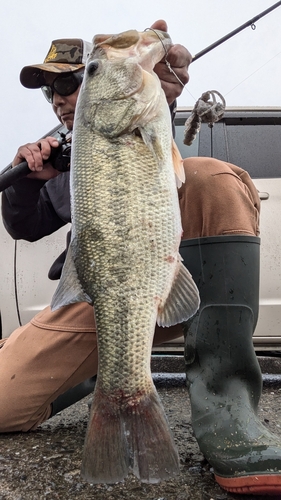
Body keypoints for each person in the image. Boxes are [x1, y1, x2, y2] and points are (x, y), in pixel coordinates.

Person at [0, 18, 281, 496]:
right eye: (49, 92)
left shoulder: (140, 116)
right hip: (107, 299)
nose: (60, 98)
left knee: (211, 176)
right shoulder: (67, 167)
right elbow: (24, 228)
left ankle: (228, 413)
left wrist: (164, 85)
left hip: (177, 286)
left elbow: (145, 116)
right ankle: (95, 375)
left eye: (70, 82)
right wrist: (29, 182)